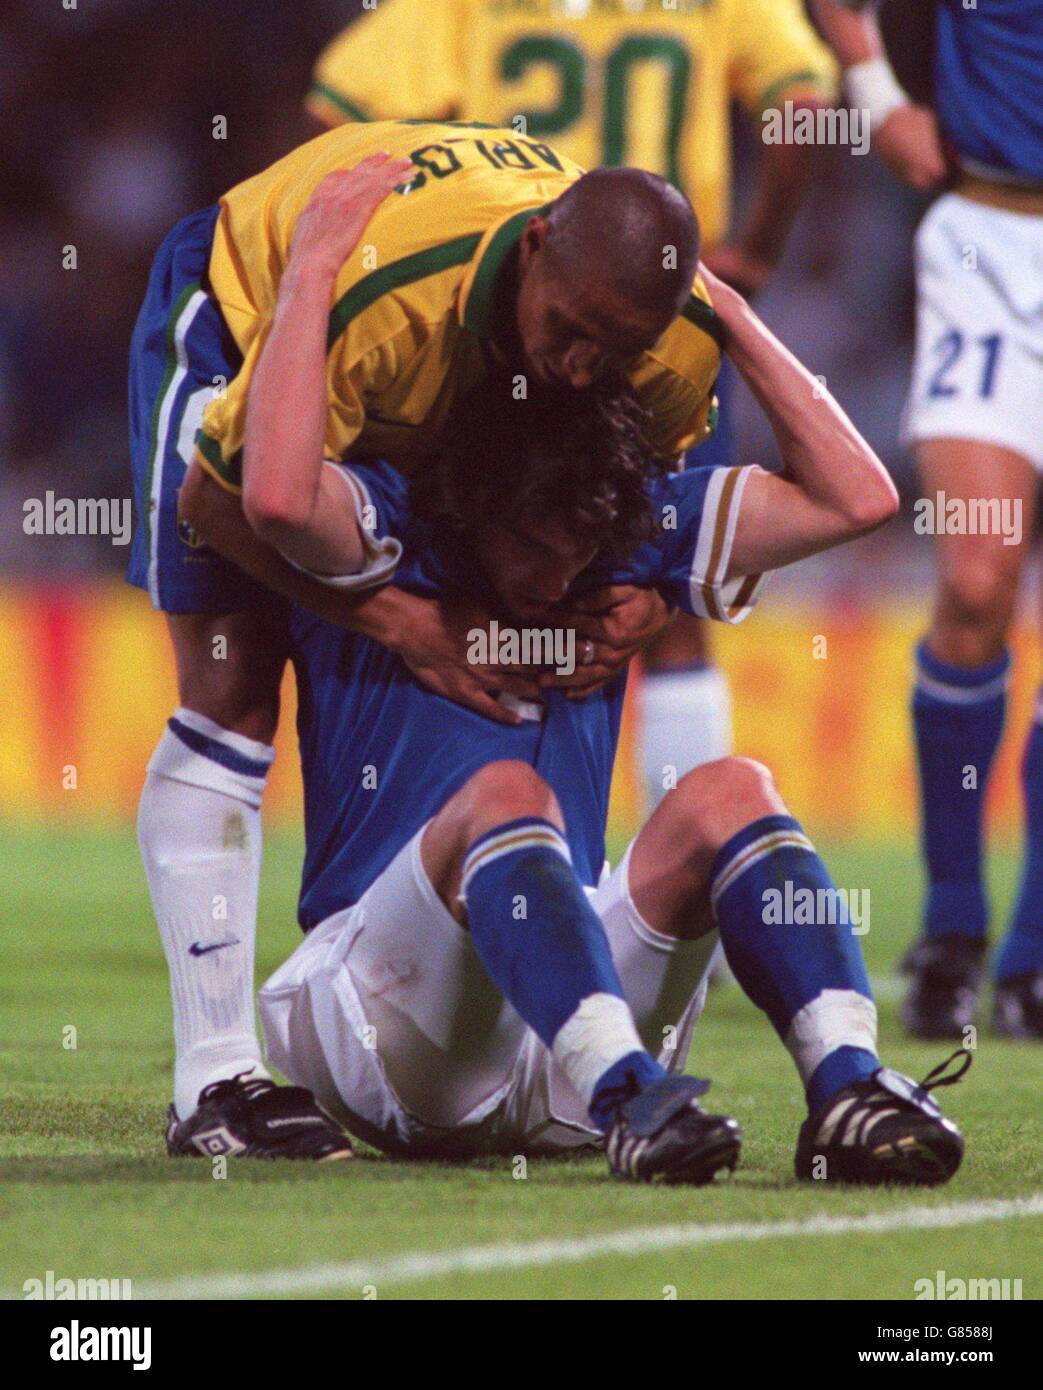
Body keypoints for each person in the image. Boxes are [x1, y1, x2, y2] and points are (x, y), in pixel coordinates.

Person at [180, 194, 968, 1186]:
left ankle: (848, 1086)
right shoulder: (390, 528)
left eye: (581, 554)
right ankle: (627, 1093)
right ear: (471, 506)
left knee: (733, 788)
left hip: (563, 1025)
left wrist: (716, 303)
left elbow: (859, 494)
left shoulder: (620, 536)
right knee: (510, 796)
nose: (560, 581)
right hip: (383, 1018)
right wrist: (312, 275)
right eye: (533, 552)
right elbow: (275, 494)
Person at [129, 129, 727, 1154]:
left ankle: (446, 942)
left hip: (432, 332)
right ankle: (215, 1080)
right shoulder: (382, 301)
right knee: (231, 680)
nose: (583, 368)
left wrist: (655, 602)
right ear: (535, 248)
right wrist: (390, 616)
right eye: (571, 331)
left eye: (614, 351)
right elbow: (232, 502)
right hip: (263, 303)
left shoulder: (668, 342)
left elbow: (642, 513)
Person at [306, 0, 838, 818]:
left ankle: (486, 845)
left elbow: (336, 110)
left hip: (521, 310)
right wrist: (754, 250)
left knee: (472, 565)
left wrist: (412, 223)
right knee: (664, 607)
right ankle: (673, 875)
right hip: (656, 328)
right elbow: (804, 106)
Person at [811, 0, 1043, 1040]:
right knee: (975, 580)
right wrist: (869, 84)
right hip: (987, 244)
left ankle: (1031, 952)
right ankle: (950, 926)